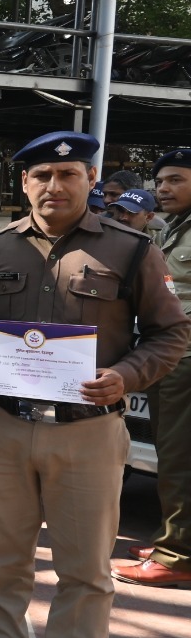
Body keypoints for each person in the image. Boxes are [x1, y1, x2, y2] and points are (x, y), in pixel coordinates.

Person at [0, 131, 188, 638]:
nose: (55, 186)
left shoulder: (132, 249)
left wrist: (124, 376)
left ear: (89, 178)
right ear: (24, 183)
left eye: (69, 174)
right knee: (2, 554)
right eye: (42, 176)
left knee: (84, 567)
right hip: (3, 424)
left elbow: (171, 334)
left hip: (86, 431)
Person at [114, 149, 191, 589]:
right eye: (161, 181)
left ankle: (177, 556)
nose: (164, 188)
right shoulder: (175, 228)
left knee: (180, 460)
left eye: (176, 180)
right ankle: (175, 539)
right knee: (170, 453)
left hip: (187, 359)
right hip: (169, 356)